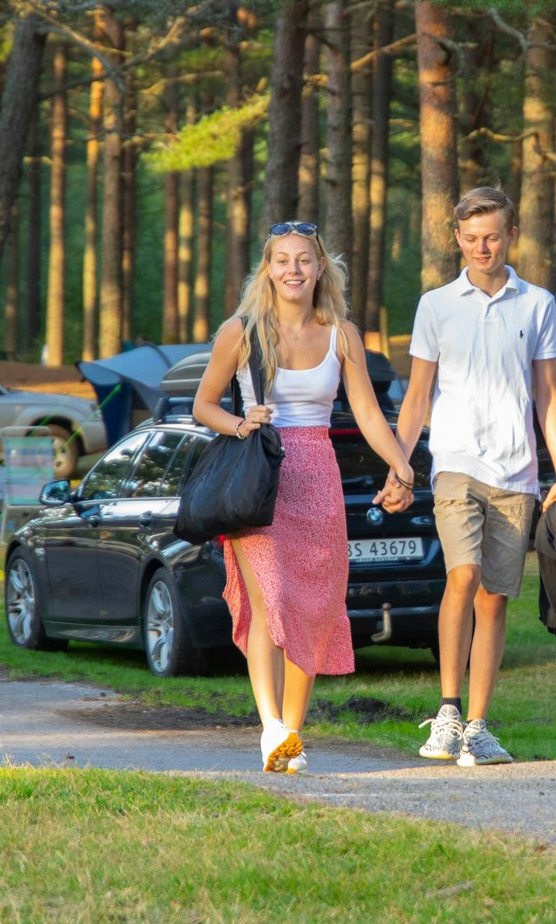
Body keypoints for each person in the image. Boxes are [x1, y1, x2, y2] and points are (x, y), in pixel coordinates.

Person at [192, 221, 416, 774]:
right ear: (267, 269)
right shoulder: (240, 331)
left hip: (317, 471)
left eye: (304, 260)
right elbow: (203, 406)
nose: (293, 269)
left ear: (321, 269)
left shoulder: (342, 334)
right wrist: (242, 423)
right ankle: (269, 726)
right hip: (258, 474)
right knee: (271, 599)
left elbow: (366, 411)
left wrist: (402, 465)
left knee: (311, 606)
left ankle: (292, 732)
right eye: (282, 260)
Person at [394, 188, 556, 767]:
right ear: (456, 240)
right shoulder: (436, 305)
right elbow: (418, 394)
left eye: (491, 236)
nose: (481, 247)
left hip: (516, 472)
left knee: (495, 598)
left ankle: (478, 725)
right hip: (455, 464)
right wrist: (401, 464)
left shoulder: (537, 304)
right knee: (463, 575)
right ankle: (447, 712)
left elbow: (547, 393)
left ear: (511, 234)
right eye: (470, 239)